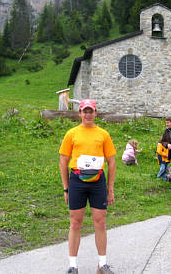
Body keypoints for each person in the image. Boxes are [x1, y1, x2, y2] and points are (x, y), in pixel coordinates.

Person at [59, 99, 117, 274]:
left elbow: (111, 161)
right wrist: (66, 187)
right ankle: (73, 266)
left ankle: (102, 264)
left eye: (91, 111)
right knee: (75, 223)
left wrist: (110, 189)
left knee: (100, 222)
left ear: (96, 113)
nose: (88, 115)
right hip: (77, 181)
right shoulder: (72, 133)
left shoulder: (103, 134)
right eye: (85, 111)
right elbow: (63, 160)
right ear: (80, 113)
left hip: (98, 182)